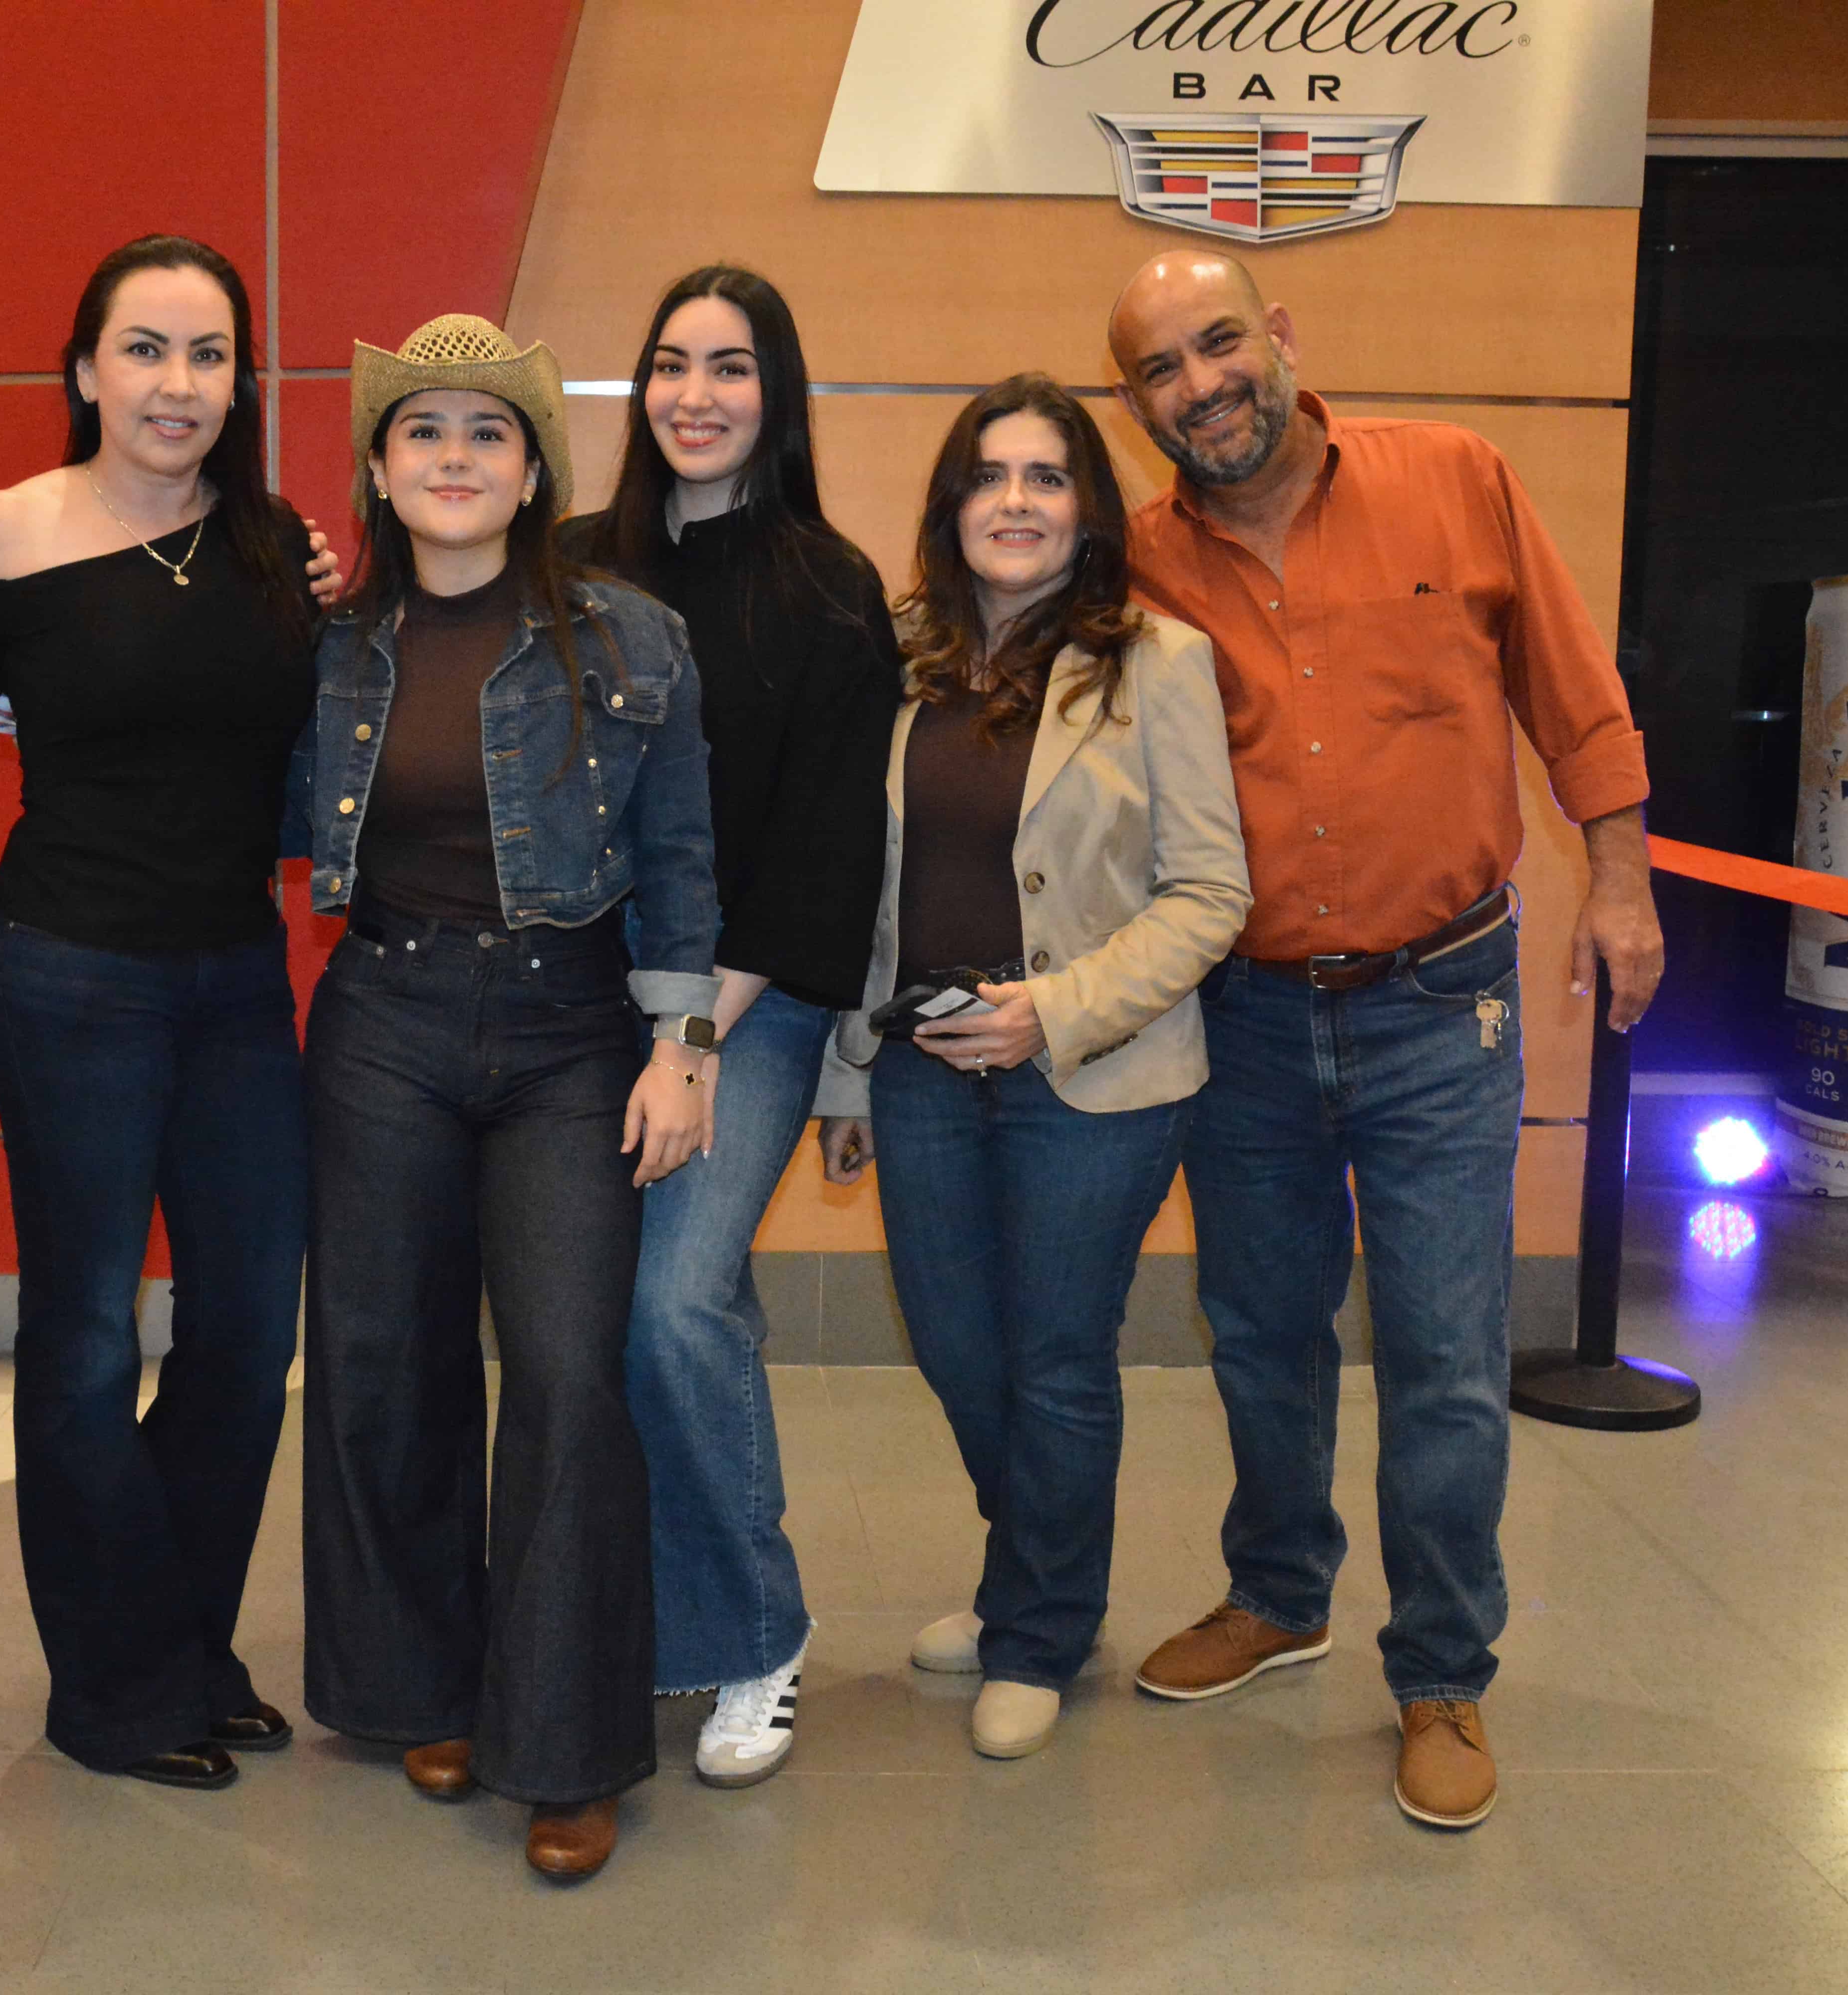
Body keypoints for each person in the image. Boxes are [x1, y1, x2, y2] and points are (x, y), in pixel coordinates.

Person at [1107, 251, 1661, 1830]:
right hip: (1242, 1018)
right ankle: (1280, 1595)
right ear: (1135, 402)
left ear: (1280, 337)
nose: (1202, 385)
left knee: (1442, 1352)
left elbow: (1573, 690)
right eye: (1160, 369)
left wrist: (1622, 881)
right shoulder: (1135, 563)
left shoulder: (1455, 478)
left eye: (1221, 342)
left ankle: (1441, 1672)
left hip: (1442, 1004)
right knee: (1260, 1332)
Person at [294, 314, 720, 1880]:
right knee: (382, 1359)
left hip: (571, 1035)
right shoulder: (328, 642)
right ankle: (418, 1686)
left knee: (565, 1372)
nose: (457, 457)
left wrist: (685, 1044)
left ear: (534, 472)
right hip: (383, 1020)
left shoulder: (632, 638)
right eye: (424, 430)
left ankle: (565, 1742)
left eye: (489, 433)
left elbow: (683, 853)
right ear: (381, 469)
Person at [0, 234, 319, 1794]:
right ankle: (116, 1689)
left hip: (236, 984)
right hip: (66, 977)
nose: (177, 383)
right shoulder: (6, 534)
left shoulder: (278, 548)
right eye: (145, 349)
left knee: (244, 1331)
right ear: (85, 368)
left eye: (209, 354)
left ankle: (182, 1649)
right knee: (83, 1337)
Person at [814, 374, 1248, 1762]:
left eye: (1046, 477)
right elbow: (862, 884)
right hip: (920, 1068)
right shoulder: (902, 657)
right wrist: (845, 1074)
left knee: (1056, 1360)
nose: (1015, 502)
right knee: (957, 1349)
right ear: (952, 506)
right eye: (989, 477)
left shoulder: (1159, 662)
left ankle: (1043, 1629)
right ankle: (1032, 1578)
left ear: (1087, 509)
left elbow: (1209, 895)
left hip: (1095, 1078)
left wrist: (1050, 1013)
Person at [562, 266, 898, 1786]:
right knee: (584, 1318)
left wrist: (690, 1038)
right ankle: (632, 1614)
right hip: (575, 1009)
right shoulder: (572, 565)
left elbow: (826, 857)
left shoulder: (830, 590)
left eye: (732, 367)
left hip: (745, 1009)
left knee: (675, 1306)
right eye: (671, 364)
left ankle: (757, 1630)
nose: (695, 396)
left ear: (779, 393)